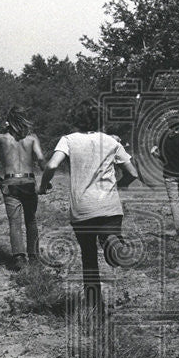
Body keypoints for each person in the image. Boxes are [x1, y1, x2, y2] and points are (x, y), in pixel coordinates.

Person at [39, 98, 139, 309]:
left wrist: (44, 183)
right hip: (110, 207)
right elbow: (133, 173)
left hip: (83, 209)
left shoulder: (68, 139)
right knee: (109, 242)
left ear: (76, 119)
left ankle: (95, 305)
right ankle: (110, 240)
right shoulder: (112, 141)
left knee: (88, 257)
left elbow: (52, 165)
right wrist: (119, 186)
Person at [0, 109, 47, 269]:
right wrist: (46, 179)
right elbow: (40, 158)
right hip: (29, 181)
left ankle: (19, 258)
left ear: (8, 121)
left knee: (14, 222)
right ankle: (34, 256)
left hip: (10, 182)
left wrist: (0, 129)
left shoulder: (2, 138)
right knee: (31, 221)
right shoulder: (32, 138)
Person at [150, 116, 179, 236]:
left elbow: (162, 158)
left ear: (169, 126)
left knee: (174, 201)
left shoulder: (163, 139)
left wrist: (154, 154)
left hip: (169, 173)